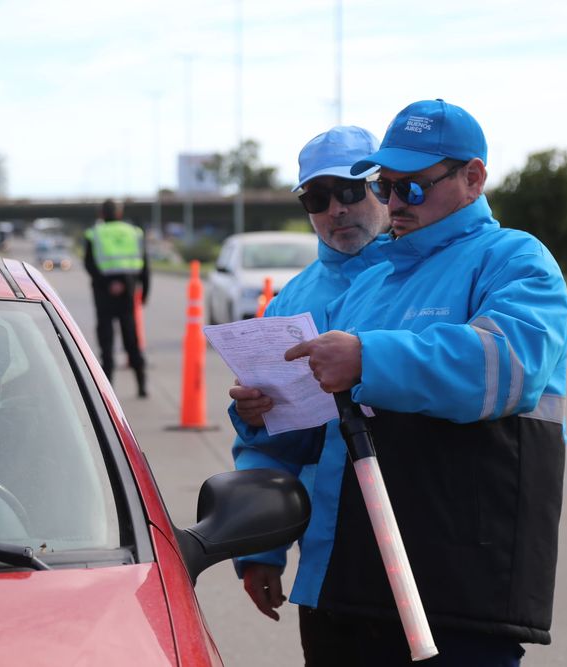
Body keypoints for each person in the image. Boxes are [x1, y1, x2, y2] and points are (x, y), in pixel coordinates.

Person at [237, 99, 567, 666]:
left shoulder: (514, 259)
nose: (392, 203)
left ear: (473, 178)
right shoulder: (371, 286)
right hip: (351, 584)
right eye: (386, 186)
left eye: (409, 188)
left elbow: (509, 367)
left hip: (459, 589)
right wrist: (265, 410)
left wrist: (368, 359)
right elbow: (313, 427)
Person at [227, 125, 389, 624]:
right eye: (318, 198)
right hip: (328, 552)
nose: (336, 209)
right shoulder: (289, 302)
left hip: (424, 543)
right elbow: (268, 444)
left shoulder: (422, 281)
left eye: (348, 190)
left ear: (383, 188)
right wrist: (260, 549)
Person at [83, 199, 150, 397]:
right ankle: (142, 387)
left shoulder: (94, 234)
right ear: (119, 214)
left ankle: (107, 390)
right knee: (132, 339)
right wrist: (144, 292)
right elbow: (145, 266)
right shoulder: (134, 232)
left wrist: (108, 284)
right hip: (128, 292)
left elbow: (89, 264)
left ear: (101, 214)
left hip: (103, 294)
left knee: (106, 342)